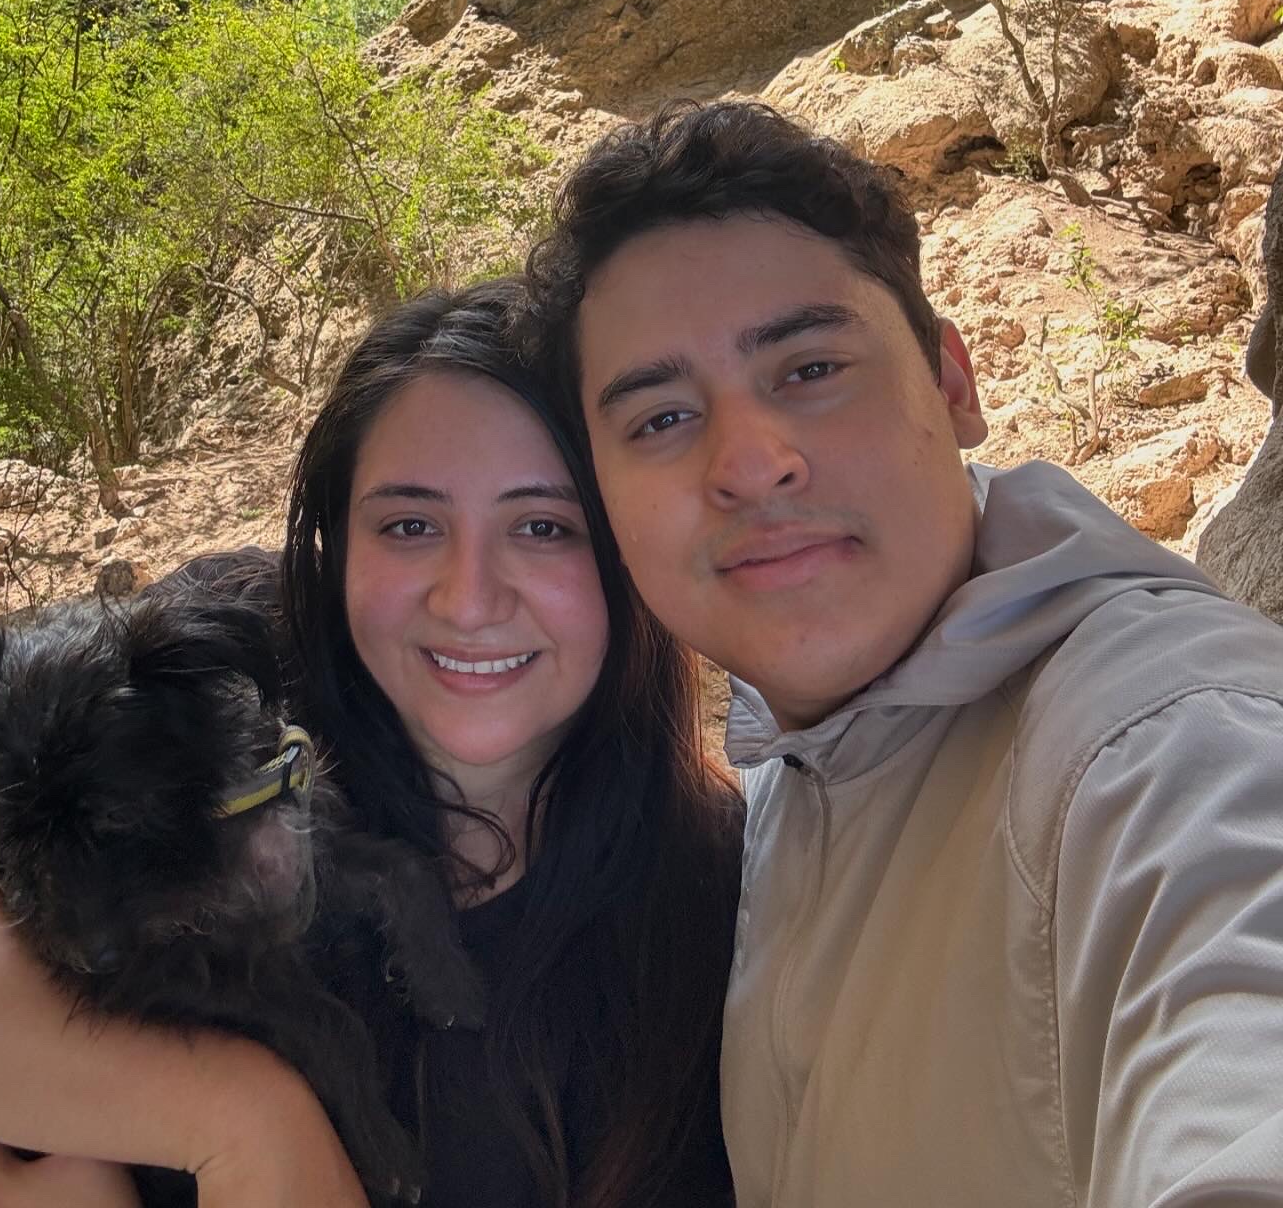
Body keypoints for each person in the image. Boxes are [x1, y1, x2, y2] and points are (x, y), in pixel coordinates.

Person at [523, 98, 1283, 1208]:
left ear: (953, 385)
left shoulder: (1166, 744)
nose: (751, 462)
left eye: (810, 369)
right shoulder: (793, 775)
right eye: (661, 420)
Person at [0, 281, 741, 1208]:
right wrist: (246, 1125)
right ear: (335, 543)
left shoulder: (722, 899)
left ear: (633, 547)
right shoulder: (233, 642)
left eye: (544, 527)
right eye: (409, 525)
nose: (469, 599)